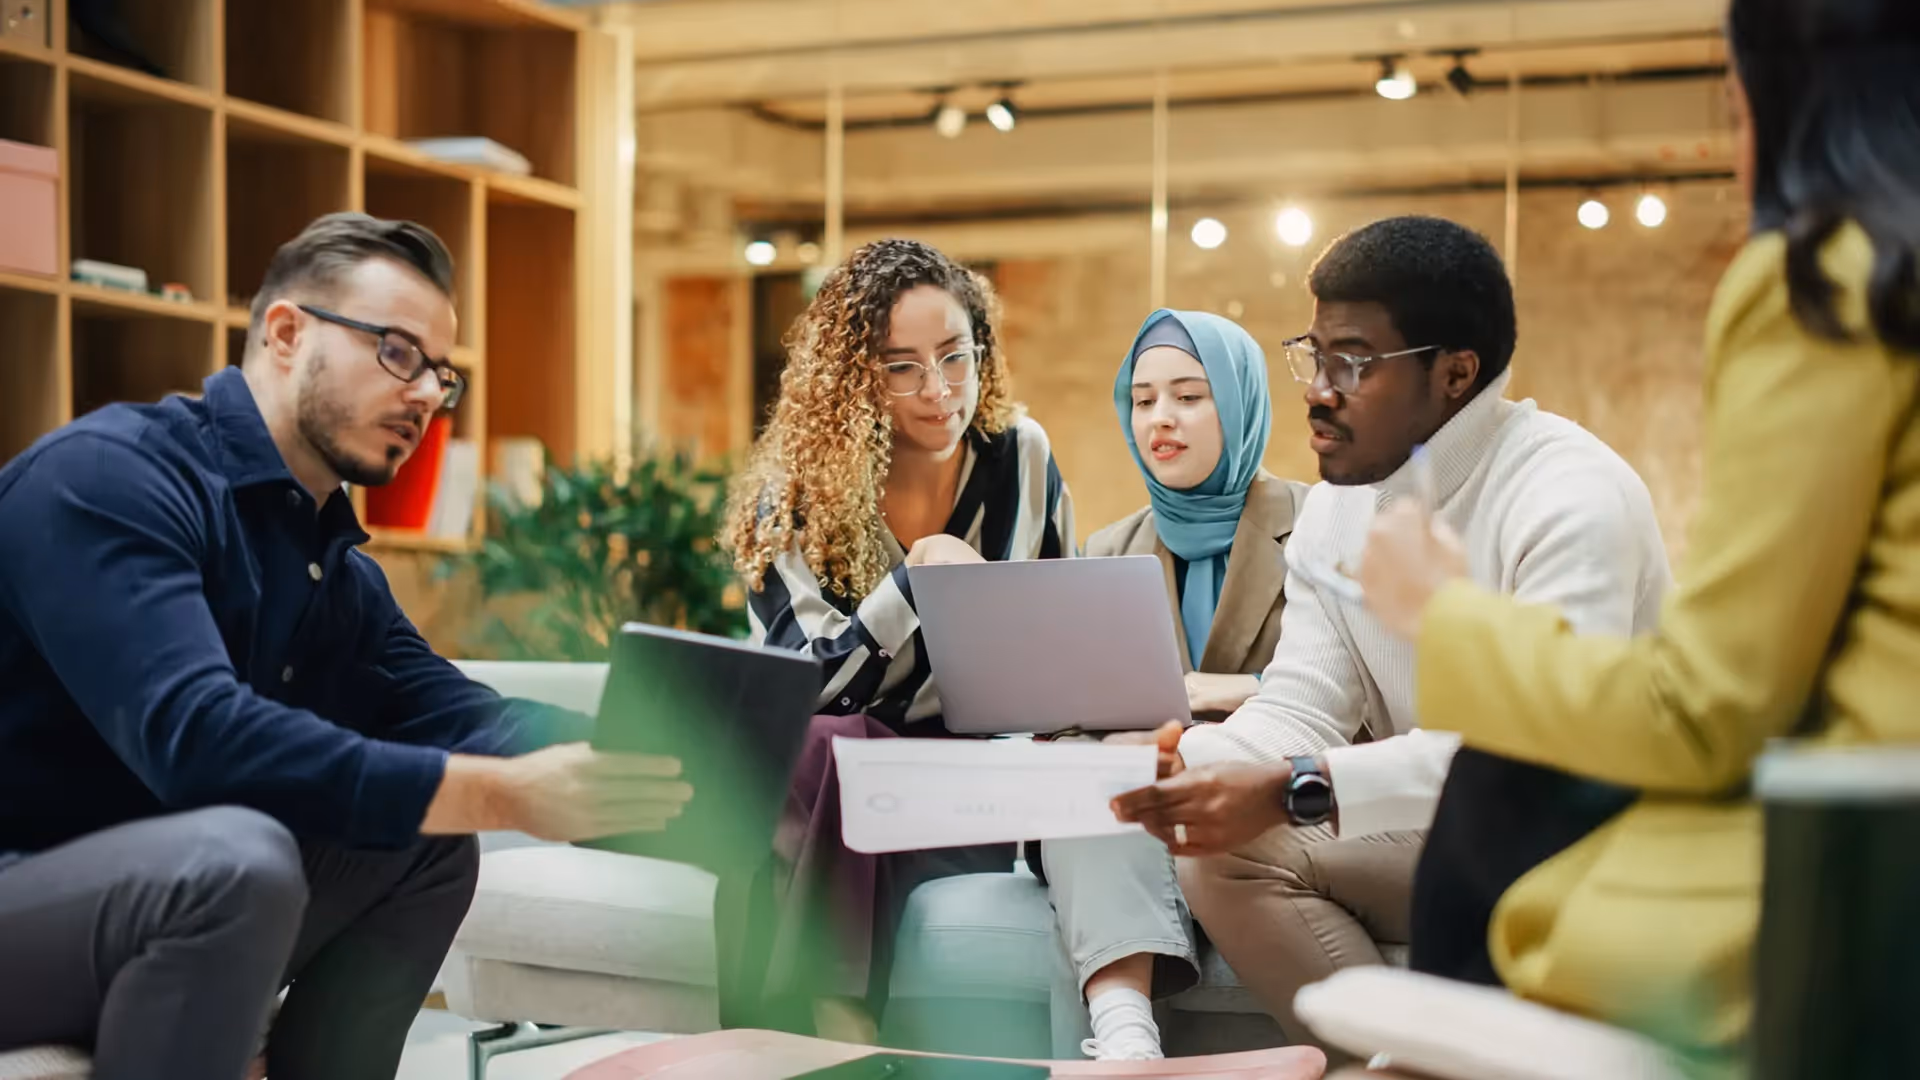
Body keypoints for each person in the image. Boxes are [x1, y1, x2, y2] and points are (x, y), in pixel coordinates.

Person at [1355, 0, 1920, 1072]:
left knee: (1498, 799)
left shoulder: (1832, 279)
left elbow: (1705, 710)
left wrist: (1440, 613)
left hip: (1864, 867)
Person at [0, 213, 693, 1080]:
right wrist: (497, 794)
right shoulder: (111, 480)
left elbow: (453, 713)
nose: (426, 396)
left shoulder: (331, 564)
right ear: (286, 333)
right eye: (398, 352)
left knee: (426, 848)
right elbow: (198, 741)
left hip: (154, 898)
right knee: (234, 864)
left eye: (442, 375)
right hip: (27, 891)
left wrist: (687, 774)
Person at [1112, 215, 1673, 1051]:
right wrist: (1178, 766)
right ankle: (1397, 1060)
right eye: (1314, 353)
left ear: (1456, 374)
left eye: (1353, 362)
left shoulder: (1571, 495)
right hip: (1454, 837)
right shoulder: (1342, 501)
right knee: (1219, 852)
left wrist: (1286, 787)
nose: (1317, 389)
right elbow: (1301, 705)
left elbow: (1533, 760)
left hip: (1594, 842)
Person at [717, 237, 1074, 1042]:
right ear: (855, 380)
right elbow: (802, 685)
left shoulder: (1022, 456)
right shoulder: (796, 492)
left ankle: (804, 1033)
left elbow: (1054, 638)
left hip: (958, 781)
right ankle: (843, 1030)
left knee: (841, 750)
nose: (940, 390)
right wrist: (916, 583)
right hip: (828, 780)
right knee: (833, 740)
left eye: (955, 356)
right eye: (902, 366)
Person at [1038, 309, 1307, 1060]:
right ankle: (1126, 1038)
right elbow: (1072, 712)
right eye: (1143, 397)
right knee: (1086, 772)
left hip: (1266, 791)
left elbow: (1350, 696)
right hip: (1143, 800)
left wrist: (1209, 695)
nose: (1162, 418)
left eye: (1190, 396)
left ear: (1240, 401)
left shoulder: (1319, 524)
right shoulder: (1107, 547)